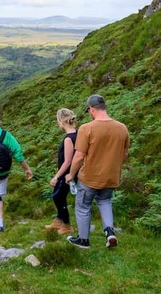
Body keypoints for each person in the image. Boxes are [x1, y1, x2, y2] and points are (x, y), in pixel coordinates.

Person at [65, 94, 129, 249]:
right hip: (111, 176)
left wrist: (71, 174)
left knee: (83, 206)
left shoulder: (87, 128)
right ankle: (109, 231)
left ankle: (83, 240)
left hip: (90, 177)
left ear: (91, 110)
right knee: (105, 201)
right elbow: (124, 154)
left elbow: (79, 155)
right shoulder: (122, 128)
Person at [44, 108, 77, 235]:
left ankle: (67, 225)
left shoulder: (68, 139)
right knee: (59, 196)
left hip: (66, 174)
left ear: (61, 121)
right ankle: (59, 220)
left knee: (58, 197)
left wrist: (56, 177)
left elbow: (67, 161)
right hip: (71, 173)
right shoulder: (78, 134)